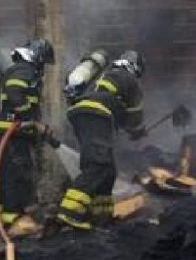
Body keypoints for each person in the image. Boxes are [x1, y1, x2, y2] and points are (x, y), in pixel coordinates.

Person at [57, 50, 145, 230]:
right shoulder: (130, 80)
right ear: (135, 67)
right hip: (97, 114)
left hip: (81, 113)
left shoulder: (105, 74)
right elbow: (135, 117)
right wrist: (137, 131)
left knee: (108, 170)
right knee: (97, 165)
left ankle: (101, 217)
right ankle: (69, 213)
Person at [0, 38, 57, 235]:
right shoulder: (24, 69)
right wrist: (29, 118)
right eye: (43, 61)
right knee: (15, 174)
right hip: (10, 131)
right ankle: (12, 220)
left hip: (14, 132)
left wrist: (38, 128)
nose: (43, 66)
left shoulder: (23, 69)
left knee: (17, 173)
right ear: (37, 56)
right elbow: (14, 91)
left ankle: (14, 214)